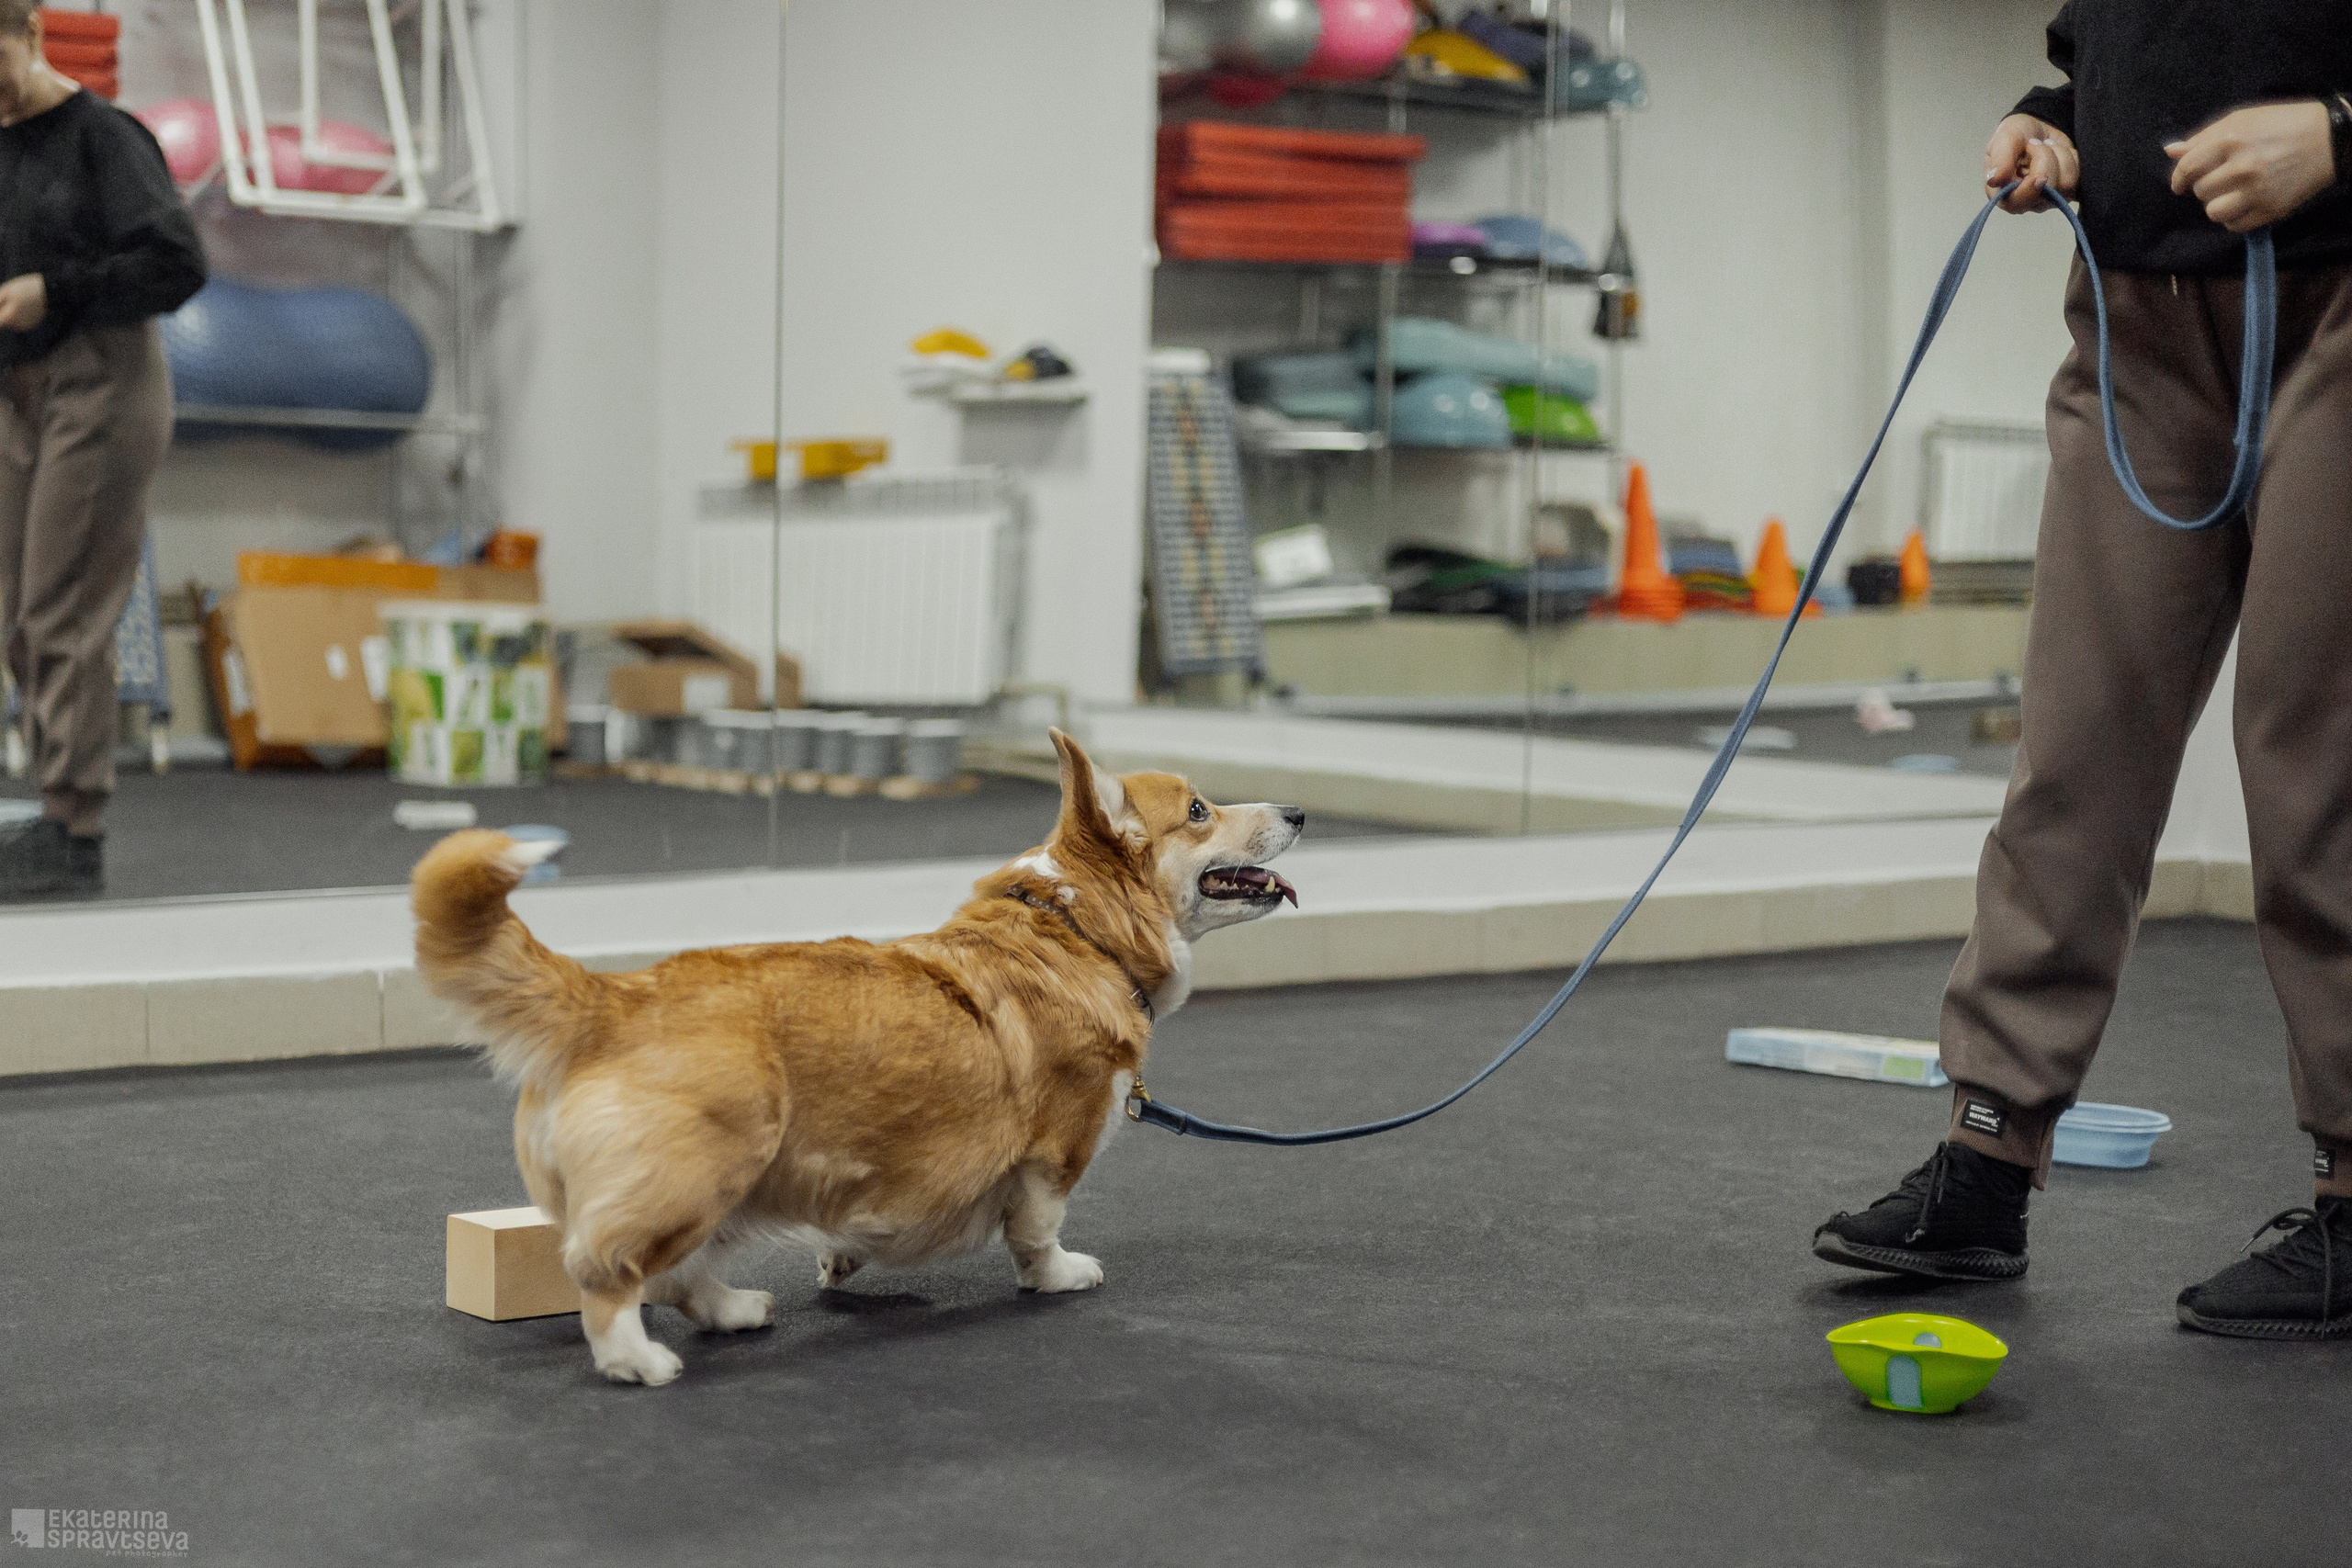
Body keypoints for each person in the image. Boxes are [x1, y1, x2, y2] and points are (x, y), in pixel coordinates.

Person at [1814, 4, 2352, 1341]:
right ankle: (1988, 1155)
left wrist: (2345, 137)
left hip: (2341, 296)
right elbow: (2107, 46)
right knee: (2075, 752)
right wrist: (2055, 121)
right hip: (2139, 318)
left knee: (2319, 764)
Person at [0, 0, 204, 897]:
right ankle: (54, 808)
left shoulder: (102, 138)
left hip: (104, 380)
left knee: (64, 604)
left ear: (31, 38)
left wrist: (57, 289)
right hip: (21, 391)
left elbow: (176, 264)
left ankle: (72, 826)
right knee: (14, 610)